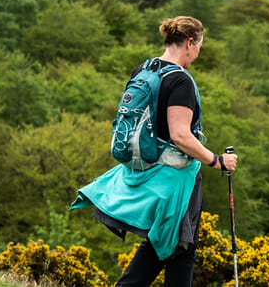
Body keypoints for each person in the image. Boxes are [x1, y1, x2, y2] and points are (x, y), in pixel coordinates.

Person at [72, 16, 236, 287]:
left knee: (165, 244)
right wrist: (217, 161)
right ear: (190, 43)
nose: (196, 55)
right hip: (174, 181)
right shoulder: (180, 81)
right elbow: (181, 135)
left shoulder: (146, 69)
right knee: (180, 247)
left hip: (147, 173)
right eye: (198, 48)